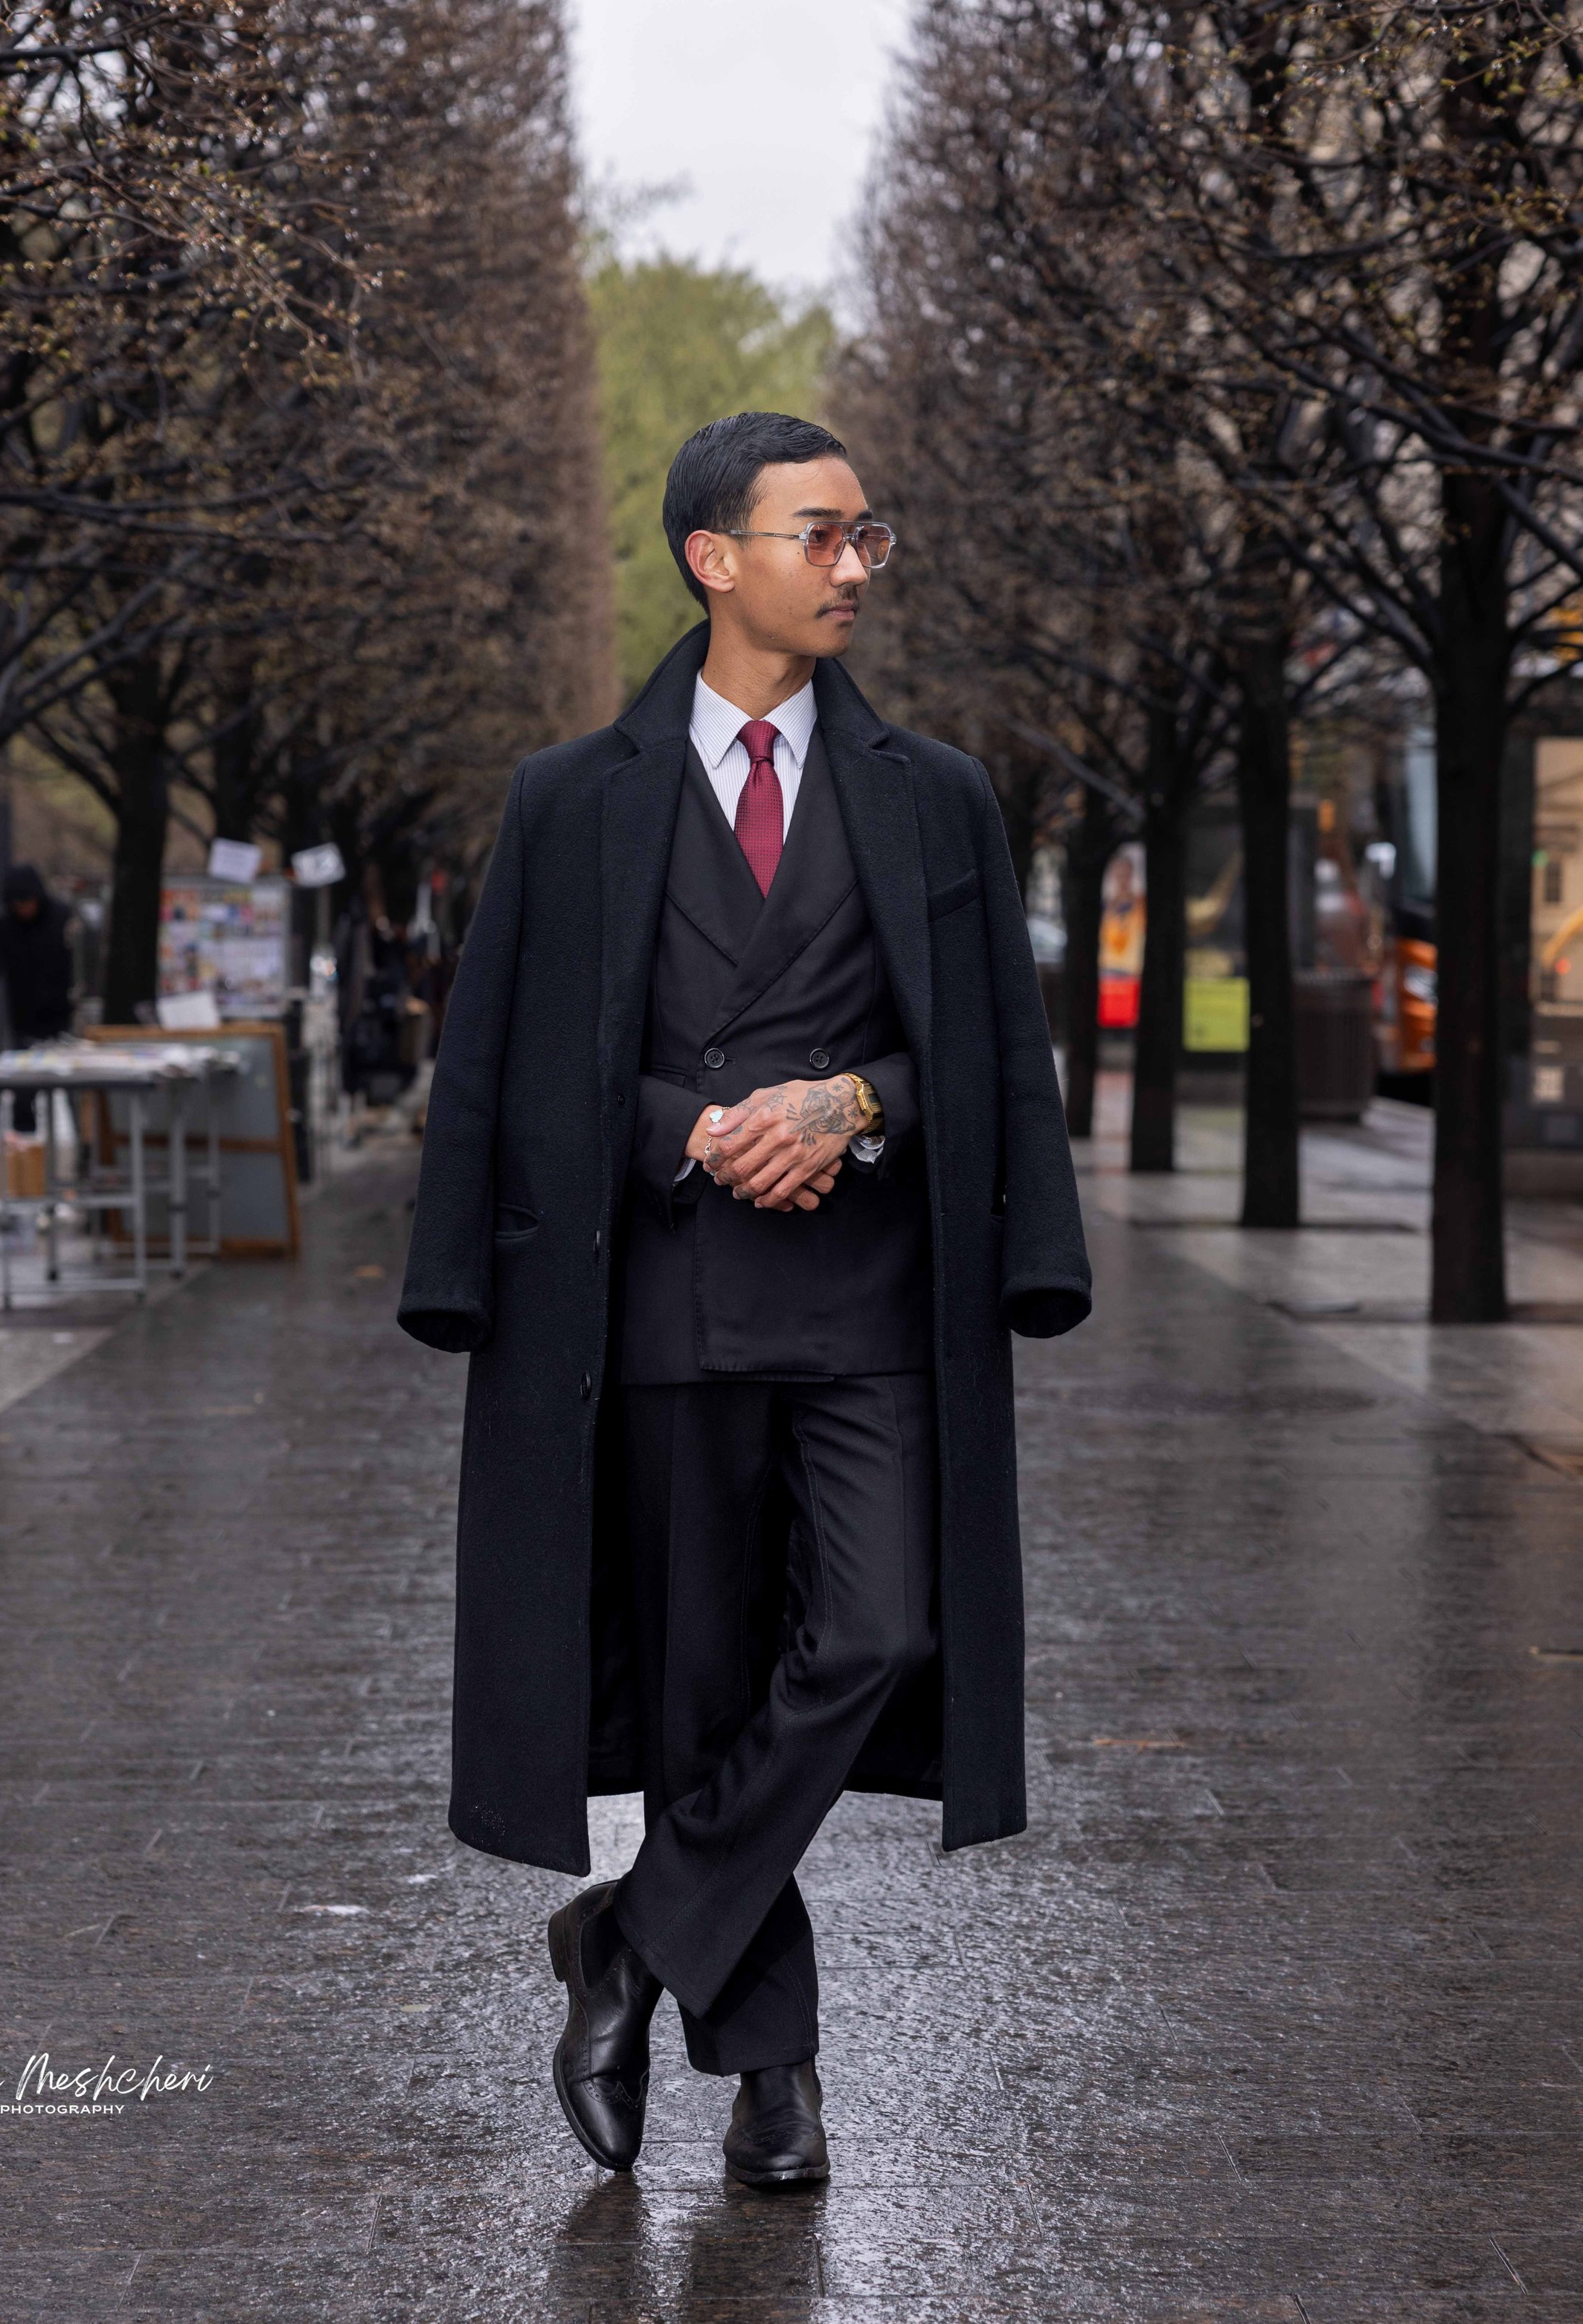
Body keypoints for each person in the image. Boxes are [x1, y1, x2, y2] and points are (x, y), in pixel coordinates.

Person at [398, 412, 1090, 2187]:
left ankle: (628, 1939)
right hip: (667, 1305)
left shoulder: (936, 794)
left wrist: (852, 1103)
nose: (857, 561)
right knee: (710, 1693)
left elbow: (992, 1054)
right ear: (718, 558)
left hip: (866, 1298)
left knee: (871, 1635)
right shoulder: (573, 796)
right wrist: (684, 1130)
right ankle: (778, 2086)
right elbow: (513, 1057)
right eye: (823, 532)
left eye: (869, 536)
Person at [0, 866, 74, 1133]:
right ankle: (24, 1146)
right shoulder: (3, 928)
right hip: (23, 1019)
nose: (23, 910)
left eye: (27, 903)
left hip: (62, 1016)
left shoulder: (62, 918)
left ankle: (87, 1148)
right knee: (23, 1093)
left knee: (77, 1090)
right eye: (18, 904)